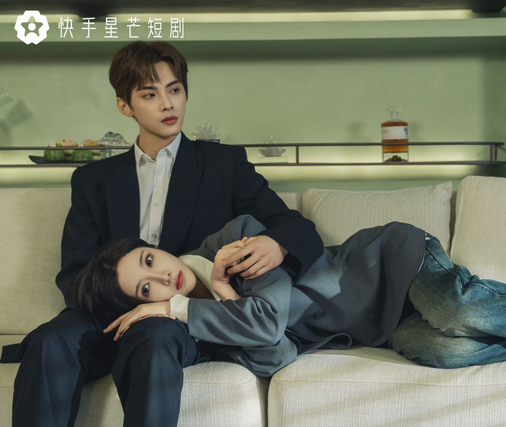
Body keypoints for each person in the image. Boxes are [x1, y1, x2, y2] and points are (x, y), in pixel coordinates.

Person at [11, 42, 323, 427]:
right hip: (106, 315)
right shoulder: (93, 181)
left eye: (174, 89)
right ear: (125, 105)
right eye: (149, 94)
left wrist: (276, 244)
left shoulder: (223, 165)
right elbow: (75, 274)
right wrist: (129, 307)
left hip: (181, 322)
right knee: (49, 340)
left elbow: (297, 228)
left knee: (153, 335)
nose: (167, 103)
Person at [75, 214, 506, 379]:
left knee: (458, 308)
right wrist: (218, 296)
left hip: (389, 266)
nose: (162, 279)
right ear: (139, 306)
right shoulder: (205, 324)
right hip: (385, 330)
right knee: (446, 350)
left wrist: (181, 305)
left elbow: (267, 324)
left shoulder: (237, 240)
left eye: (149, 261)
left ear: (156, 247)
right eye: (144, 289)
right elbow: (276, 355)